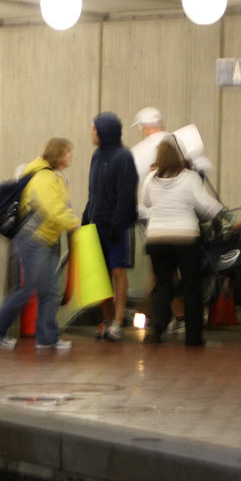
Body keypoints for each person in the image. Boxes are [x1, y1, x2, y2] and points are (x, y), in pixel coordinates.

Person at [0, 137, 80, 352]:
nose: (71, 155)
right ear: (59, 154)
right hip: (34, 239)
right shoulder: (43, 177)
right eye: (68, 151)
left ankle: (47, 337)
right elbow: (51, 207)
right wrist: (72, 222)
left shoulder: (55, 177)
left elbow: (59, 206)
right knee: (27, 289)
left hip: (48, 238)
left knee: (49, 291)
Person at [139, 137, 224, 346]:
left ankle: (157, 327)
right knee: (191, 286)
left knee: (163, 285)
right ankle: (193, 336)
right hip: (185, 238)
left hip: (157, 237)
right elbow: (204, 204)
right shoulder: (190, 177)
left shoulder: (151, 178)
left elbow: (146, 202)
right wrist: (223, 215)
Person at [83, 112, 138, 341]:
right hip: (96, 223)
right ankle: (105, 321)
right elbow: (93, 192)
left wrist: (118, 222)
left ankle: (118, 321)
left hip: (116, 226)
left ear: (104, 131)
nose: (91, 133)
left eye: (94, 129)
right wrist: (86, 217)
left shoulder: (123, 157)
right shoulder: (96, 156)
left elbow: (126, 193)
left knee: (117, 271)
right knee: (100, 276)